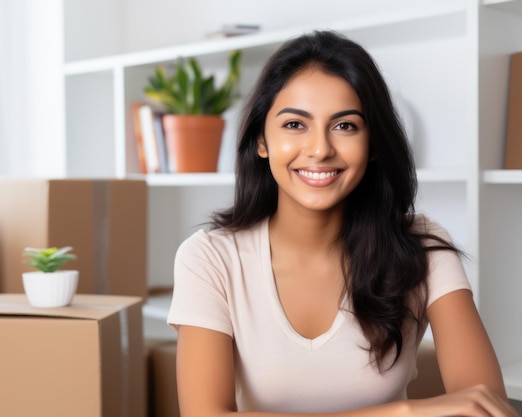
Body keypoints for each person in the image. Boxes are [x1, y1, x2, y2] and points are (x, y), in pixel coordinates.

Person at [166, 30, 518, 417]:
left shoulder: (421, 247)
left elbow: (483, 404)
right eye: (295, 125)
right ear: (261, 141)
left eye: (345, 125)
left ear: (373, 145)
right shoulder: (209, 258)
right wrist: (402, 412)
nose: (320, 149)